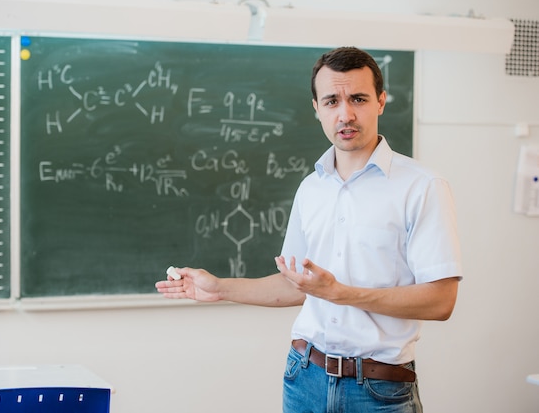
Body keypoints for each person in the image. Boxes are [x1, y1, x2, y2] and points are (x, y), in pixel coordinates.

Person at [155, 46, 462, 413]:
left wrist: (341, 293)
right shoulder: (311, 188)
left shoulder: (422, 186)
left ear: (380, 102)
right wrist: (219, 287)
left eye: (358, 99)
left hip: (379, 391)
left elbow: (441, 300)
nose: (345, 114)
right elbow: (294, 284)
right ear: (317, 108)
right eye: (332, 101)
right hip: (304, 379)